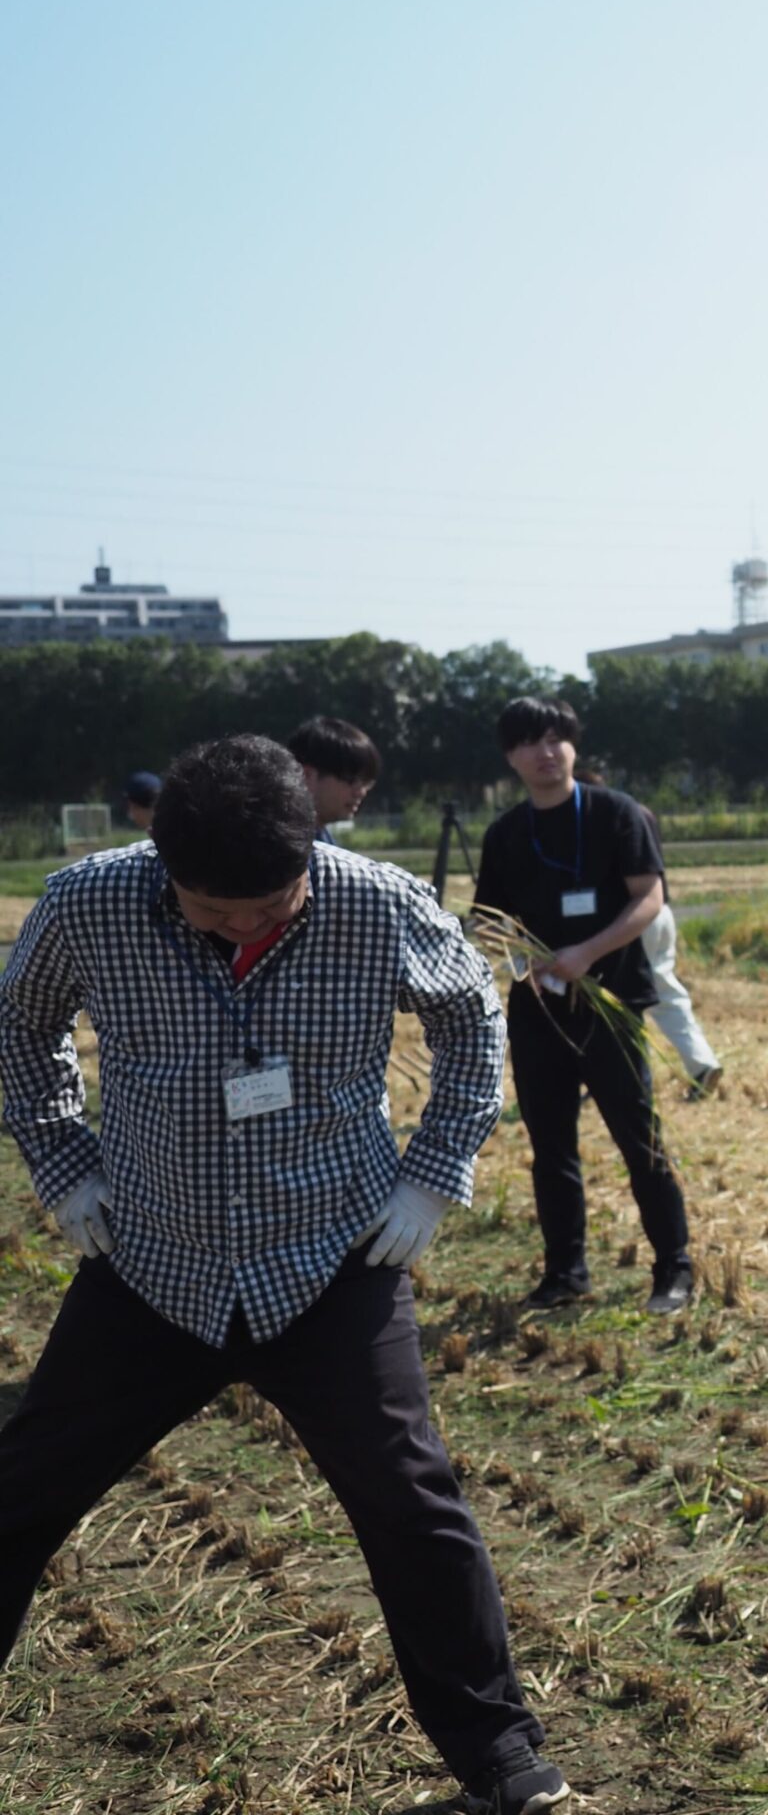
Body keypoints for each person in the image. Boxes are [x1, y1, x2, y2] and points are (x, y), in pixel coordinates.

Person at [0, 736, 570, 1815]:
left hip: (329, 1257)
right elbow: (21, 1029)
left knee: (411, 1504)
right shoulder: (88, 903)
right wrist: (66, 1164)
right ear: (165, 869)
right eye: (214, 912)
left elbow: (470, 1022)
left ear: (308, 851)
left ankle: (500, 1755)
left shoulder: (377, 903)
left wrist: (431, 1177)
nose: (245, 928)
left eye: (270, 906)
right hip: (153, 1261)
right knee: (23, 1486)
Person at [472, 697, 693, 1315]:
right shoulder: (505, 834)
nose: (546, 753)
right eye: (530, 742)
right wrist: (523, 958)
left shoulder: (615, 814)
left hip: (610, 1003)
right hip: (538, 1012)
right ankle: (565, 1273)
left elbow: (648, 898)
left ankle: (674, 1268)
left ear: (573, 746)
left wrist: (585, 953)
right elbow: (488, 921)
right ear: (511, 756)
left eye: (556, 739)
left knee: (639, 1139)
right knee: (551, 1148)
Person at [633, 803, 723, 1099]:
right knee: (665, 991)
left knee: (621, 998)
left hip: (629, 917)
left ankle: (624, 1077)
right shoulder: (639, 811)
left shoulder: (602, 815)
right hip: (660, 912)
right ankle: (701, 1062)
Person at [287, 715, 382, 847]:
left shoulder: (321, 838)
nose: (360, 792)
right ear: (306, 775)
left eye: (366, 783)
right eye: (351, 780)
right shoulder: (280, 845)